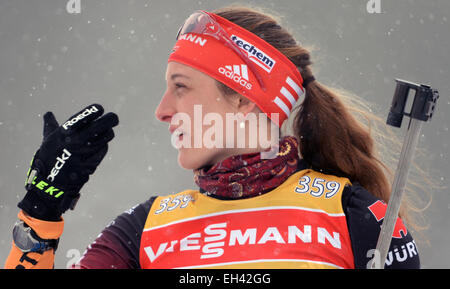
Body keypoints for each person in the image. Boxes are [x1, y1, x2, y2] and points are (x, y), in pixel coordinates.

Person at [4, 5, 421, 269]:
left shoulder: (356, 217)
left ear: (242, 98)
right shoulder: (144, 228)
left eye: (181, 86)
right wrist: (39, 214)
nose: (162, 110)